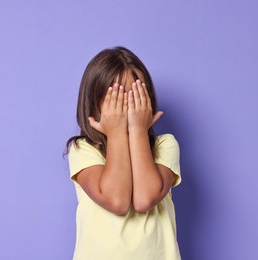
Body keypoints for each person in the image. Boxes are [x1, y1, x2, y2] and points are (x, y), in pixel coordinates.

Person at [66, 46, 182, 260]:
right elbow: (117, 201)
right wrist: (117, 132)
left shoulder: (166, 145)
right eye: (116, 98)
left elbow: (145, 199)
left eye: (136, 96)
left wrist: (137, 129)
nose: (127, 106)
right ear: (93, 102)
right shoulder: (83, 149)